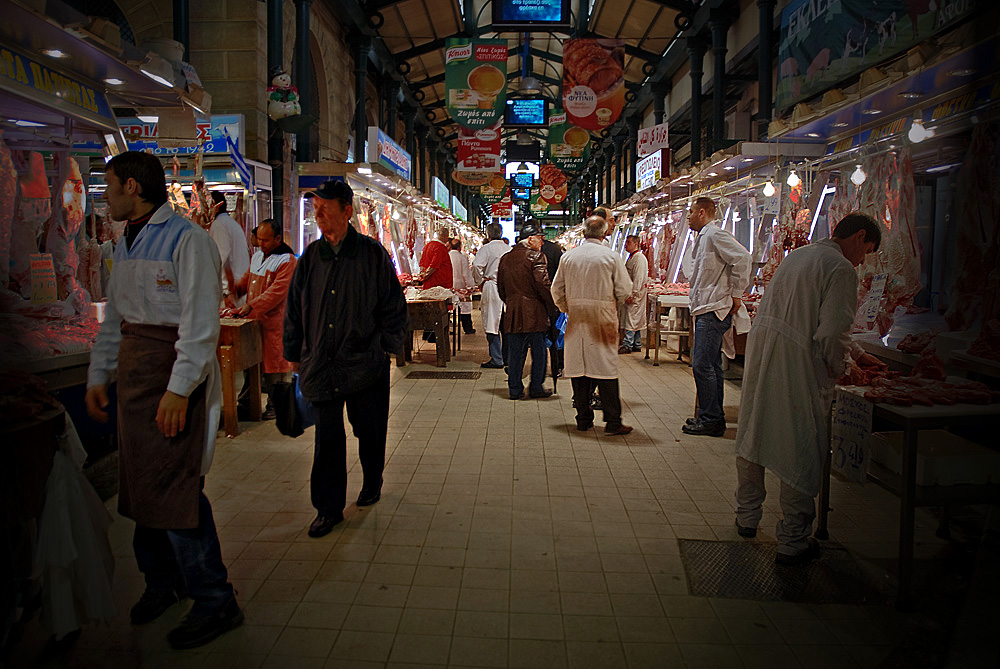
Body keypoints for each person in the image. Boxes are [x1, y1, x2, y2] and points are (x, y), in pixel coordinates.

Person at [85, 151, 241, 649]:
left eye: (109, 187)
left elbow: (200, 322)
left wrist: (179, 389)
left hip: (173, 382)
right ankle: (163, 582)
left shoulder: (188, 240)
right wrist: (99, 373)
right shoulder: (127, 242)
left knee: (175, 492)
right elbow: (117, 319)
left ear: (133, 187)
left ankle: (216, 600)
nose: (105, 196)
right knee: (139, 488)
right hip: (135, 383)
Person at [734, 213, 885, 566]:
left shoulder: (800, 256)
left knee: (754, 436)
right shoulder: (841, 269)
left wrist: (858, 354)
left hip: (764, 357)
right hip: (799, 366)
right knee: (800, 447)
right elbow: (831, 333)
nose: (863, 260)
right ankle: (793, 540)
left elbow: (806, 313)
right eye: (867, 250)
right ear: (859, 236)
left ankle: (747, 517)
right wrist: (843, 368)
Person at [284, 179, 408, 539]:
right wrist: (294, 352)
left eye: (325, 208)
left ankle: (372, 481)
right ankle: (328, 508)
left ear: (347, 211)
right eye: (315, 208)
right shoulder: (310, 258)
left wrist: (385, 346)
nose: (318, 215)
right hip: (321, 363)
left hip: (364, 363)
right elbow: (294, 310)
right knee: (328, 439)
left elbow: (393, 308)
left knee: (368, 430)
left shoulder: (371, 254)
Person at [551, 215, 634, 435]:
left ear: (584, 232)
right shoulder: (610, 257)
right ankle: (613, 421)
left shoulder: (569, 257)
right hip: (603, 317)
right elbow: (625, 289)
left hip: (577, 316)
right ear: (605, 233)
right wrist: (613, 301)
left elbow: (556, 289)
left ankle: (583, 418)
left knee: (578, 367)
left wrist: (567, 307)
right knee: (605, 368)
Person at [682, 196, 751, 437]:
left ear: (702, 213)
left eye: (691, 212)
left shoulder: (715, 235)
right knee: (711, 365)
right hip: (706, 308)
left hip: (713, 310)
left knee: (701, 365)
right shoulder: (702, 238)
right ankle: (712, 417)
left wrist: (737, 294)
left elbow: (743, 258)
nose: (688, 216)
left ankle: (711, 419)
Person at [230, 218, 296, 420]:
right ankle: (247, 404)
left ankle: (276, 406)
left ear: (278, 238)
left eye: (265, 240)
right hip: (254, 321)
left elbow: (276, 293)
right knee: (252, 364)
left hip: (274, 323)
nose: (261, 244)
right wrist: (234, 290)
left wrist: (252, 305)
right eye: (259, 239)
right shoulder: (258, 256)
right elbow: (247, 280)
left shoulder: (288, 260)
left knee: (275, 367)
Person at [497, 224, 558, 400]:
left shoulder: (505, 258)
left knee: (515, 352)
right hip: (534, 312)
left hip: (513, 311)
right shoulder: (536, 256)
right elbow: (543, 284)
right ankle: (536, 387)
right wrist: (553, 304)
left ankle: (514, 389)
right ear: (530, 239)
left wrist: (511, 301)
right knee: (539, 352)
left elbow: (500, 286)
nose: (542, 241)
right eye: (540, 237)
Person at [472, 223, 510, 369]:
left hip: (492, 287)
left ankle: (496, 358)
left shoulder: (486, 249)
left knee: (491, 324)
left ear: (487, 235)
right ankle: (507, 358)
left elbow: (476, 266)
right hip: (506, 289)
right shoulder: (508, 249)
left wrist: (479, 280)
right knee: (505, 326)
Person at [207, 191, 251, 309]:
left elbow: (223, 260)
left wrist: (226, 293)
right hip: (236, 290)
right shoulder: (229, 223)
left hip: (231, 293)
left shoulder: (219, 225)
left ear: (217, 206)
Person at [416, 228, 453, 343]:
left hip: (429, 284)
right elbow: (434, 265)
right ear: (445, 237)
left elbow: (422, 263)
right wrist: (425, 276)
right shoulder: (440, 248)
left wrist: (422, 276)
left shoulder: (428, 246)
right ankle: (435, 336)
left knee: (428, 311)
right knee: (438, 312)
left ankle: (427, 334)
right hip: (438, 285)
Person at [619, 235, 648, 354]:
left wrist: (633, 294)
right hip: (632, 293)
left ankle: (627, 344)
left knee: (632, 319)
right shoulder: (632, 257)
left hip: (636, 295)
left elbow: (638, 279)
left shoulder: (640, 259)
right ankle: (637, 343)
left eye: (628, 242)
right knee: (635, 319)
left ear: (636, 244)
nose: (626, 245)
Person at [449, 237, 476, 334]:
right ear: (459, 247)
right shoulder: (462, 257)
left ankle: (448, 329)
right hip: (461, 286)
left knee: (450, 307)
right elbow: (466, 274)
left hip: (450, 286)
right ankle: (467, 328)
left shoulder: (447, 256)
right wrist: (470, 286)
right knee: (465, 308)